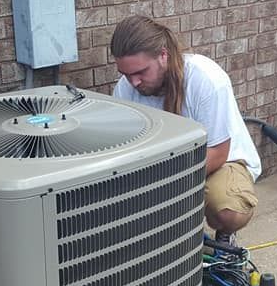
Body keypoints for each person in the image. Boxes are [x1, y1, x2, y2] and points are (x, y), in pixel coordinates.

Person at [110, 15, 260, 247]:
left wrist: (167, 184)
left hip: (220, 161)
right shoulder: (125, 89)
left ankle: (224, 239)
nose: (134, 82)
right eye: (126, 74)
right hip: (163, 168)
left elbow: (218, 151)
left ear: (163, 55)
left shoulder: (206, 79)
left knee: (228, 210)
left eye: (141, 72)